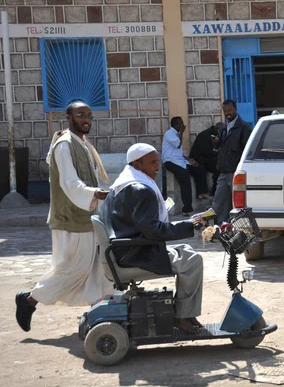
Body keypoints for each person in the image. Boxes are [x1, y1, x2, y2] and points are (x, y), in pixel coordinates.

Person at [15, 101, 115, 332]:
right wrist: (94, 193)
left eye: (89, 115)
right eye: (81, 115)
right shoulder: (64, 145)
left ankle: (98, 313)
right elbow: (69, 182)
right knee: (72, 270)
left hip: (86, 217)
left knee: (96, 268)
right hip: (71, 220)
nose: (86, 119)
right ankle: (29, 300)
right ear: (69, 118)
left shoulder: (81, 143)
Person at [100, 143, 206, 334]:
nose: (158, 166)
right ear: (138, 164)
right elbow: (153, 231)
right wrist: (190, 224)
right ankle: (181, 315)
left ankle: (186, 312)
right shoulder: (141, 189)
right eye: (153, 162)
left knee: (188, 252)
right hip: (136, 253)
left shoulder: (122, 183)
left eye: (158, 161)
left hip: (126, 249)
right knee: (193, 261)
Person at [212, 100, 253, 223]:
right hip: (223, 171)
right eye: (225, 111)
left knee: (237, 203)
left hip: (235, 172)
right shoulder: (224, 127)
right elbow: (221, 148)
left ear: (235, 109)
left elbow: (247, 150)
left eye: (230, 110)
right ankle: (220, 227)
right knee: (219, 200)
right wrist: (216, 143)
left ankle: (239, 227)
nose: (228, 113)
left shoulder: (244, 127)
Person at [163, 116, 211, 216]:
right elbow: (178, 145)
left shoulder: (177, 134)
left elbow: (178, 153)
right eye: (180, 124)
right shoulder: (169, 134)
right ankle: (187, 209)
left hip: (180, 160)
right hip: (170, 162)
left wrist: (188, 159)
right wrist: (181, 132)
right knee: (184, 177)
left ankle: (202, 192)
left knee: (199, 168)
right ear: (175, 125)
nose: (182, 125)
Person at [189, 122, 224, 197]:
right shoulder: (205, 135)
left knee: (219, 166)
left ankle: (215, 191)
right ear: (217, 129)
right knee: (218, 167)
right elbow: (205, 151)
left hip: (206, 157)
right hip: (198, 158)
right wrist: (218, 154)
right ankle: (214, 192)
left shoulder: (213, 134)